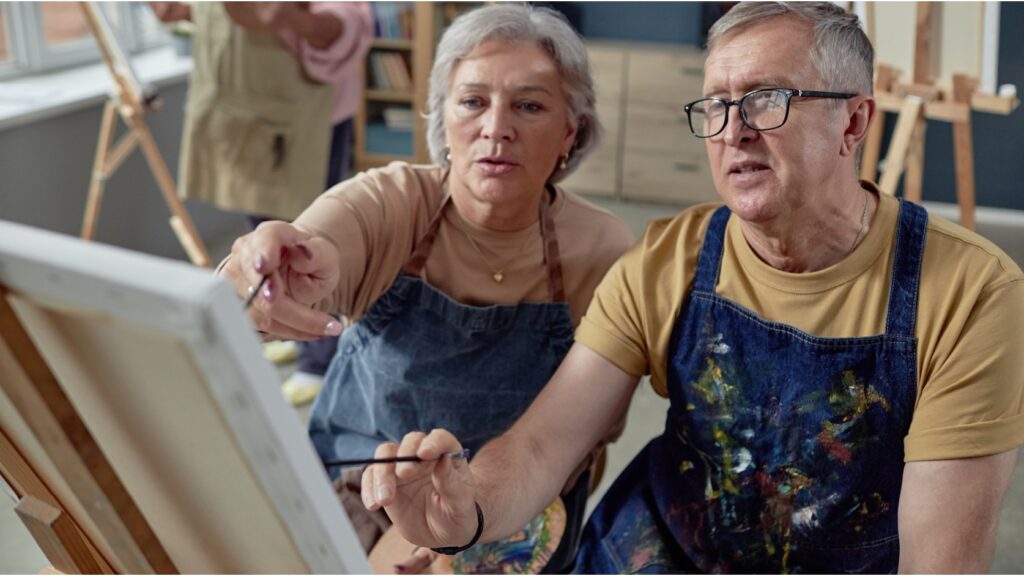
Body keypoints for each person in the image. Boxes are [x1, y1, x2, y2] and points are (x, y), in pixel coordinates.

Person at [362, 2, 1024, 574]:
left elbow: (939, 562)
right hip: (651, 555)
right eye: (716, 104)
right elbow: (542, 444)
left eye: (766, 99)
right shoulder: (667, 260)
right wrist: (467, 508)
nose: (733, 130)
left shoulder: (971, 295)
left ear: (853, 123)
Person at [219, 4, 635, 572]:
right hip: (361, 480)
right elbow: (311, 245)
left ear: (570, 132)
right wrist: (262, 270)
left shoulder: (606, 251)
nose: (495, 128)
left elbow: (584, 439)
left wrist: (457, 542)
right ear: (442, 118)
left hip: (517, 509)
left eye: (529, 105)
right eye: (472, 101)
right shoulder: (390, 203)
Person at [151, 1, 373, 405]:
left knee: (307, 238)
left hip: (302, 113)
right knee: (262, 230)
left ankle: (320, 356)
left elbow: (350, 22)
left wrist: (282, 17)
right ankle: (286, 326)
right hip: (246, 110)